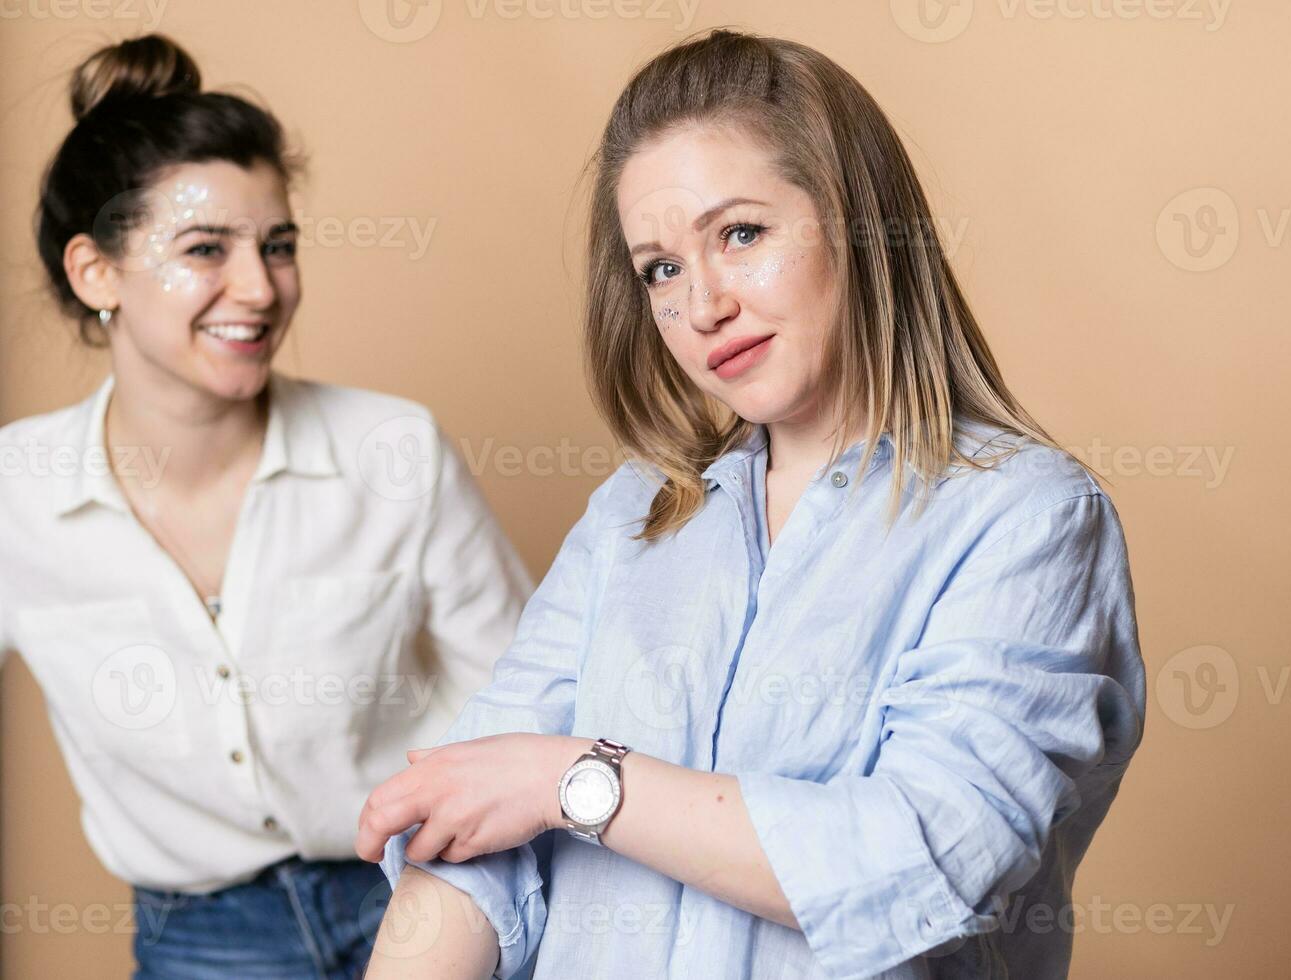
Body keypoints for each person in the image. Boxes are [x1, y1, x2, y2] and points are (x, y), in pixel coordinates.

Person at [357, 29, 1146, 980]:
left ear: (857, 223)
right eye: (661, 268)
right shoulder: (633, 515)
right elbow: (468, 824)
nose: (702, 307)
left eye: (740, 234)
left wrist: (570, 780)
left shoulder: (1027, 518)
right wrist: (520, 791)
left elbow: (927, 857)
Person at [0, 34, 532, 979]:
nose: (260, 289)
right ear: (96, 273)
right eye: (206, 249)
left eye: (277, 246)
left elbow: (529, 693)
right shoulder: (16, 494)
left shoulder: (392, 449)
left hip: (428, 894)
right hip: (202, 938)